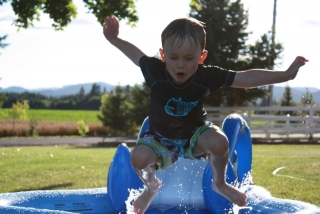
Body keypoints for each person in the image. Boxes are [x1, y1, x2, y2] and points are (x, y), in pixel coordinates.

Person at [103, 16, 308, 213]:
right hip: (160, 138)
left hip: (195, 136)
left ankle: (219, 184)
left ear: (202, 57)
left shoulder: (207, 75)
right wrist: (113, 39)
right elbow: (135, 54)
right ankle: (151, 187)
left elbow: (246, 78)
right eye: (173, 57)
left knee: (220, 142)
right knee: (137, 158)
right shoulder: (155, 70)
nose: (180, 64)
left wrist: (286, 74)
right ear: (163, 55)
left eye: (189, 58)